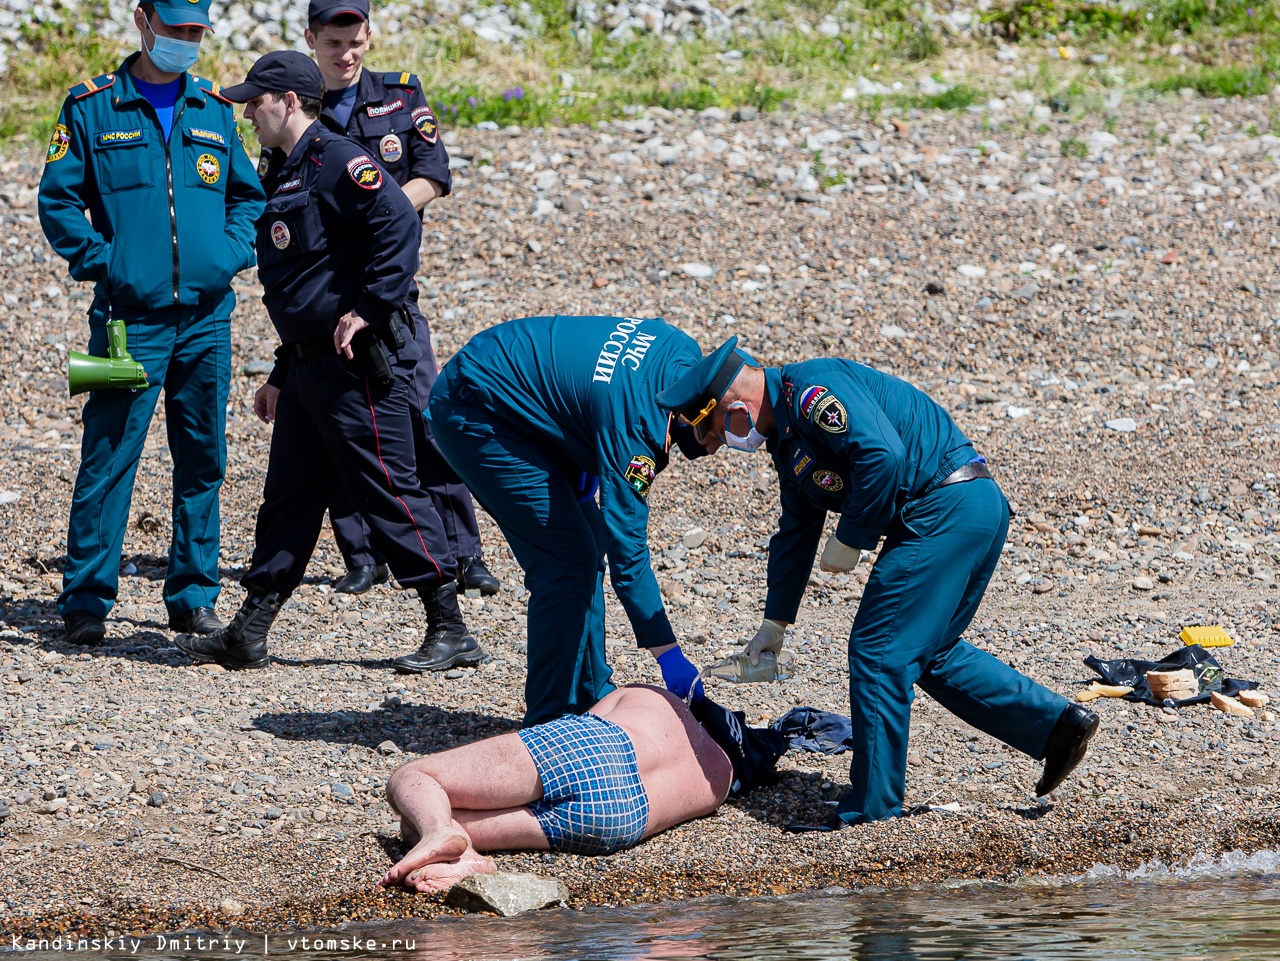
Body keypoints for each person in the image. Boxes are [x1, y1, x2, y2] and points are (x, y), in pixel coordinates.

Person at [655, 338, 1100, 828]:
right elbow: (796, 531)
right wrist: (774, 624)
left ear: (735, 405)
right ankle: (1056, 727)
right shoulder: (787, 439)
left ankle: (872, 807)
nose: (719, 444)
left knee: (878, 650)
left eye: (713, 429)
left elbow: (882, 456)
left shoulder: (809, 392)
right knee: (929, 652)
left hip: (942, 508)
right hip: (967, 508)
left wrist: (851, 538)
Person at [174, 51, 485, 673]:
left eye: (255, 103)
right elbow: (304, 288)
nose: (248, 117)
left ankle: (449, 627)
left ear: (288, 102)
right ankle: (250, 628)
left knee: (390, 489)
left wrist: (371, 307)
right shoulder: (285, 171)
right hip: (308, 369)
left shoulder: (338, 159)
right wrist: (280, 373)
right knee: (287, 498)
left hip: (356, 369)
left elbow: (398, 224)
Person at [250, 0, 497, 599]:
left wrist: (374, 212)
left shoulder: (399, 96)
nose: (348, 53)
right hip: (329, 300)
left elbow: (431, 175)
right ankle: (363, 554)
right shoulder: (291, 118)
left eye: (356, 40)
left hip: (386, 292)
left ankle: (462, 552)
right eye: (335, 43)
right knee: (333, 428)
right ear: (312, 41)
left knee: (423, 417)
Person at [37, 0, 265, 646]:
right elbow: (58, 201)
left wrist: (226, 255)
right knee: (109, 457)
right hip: (126, 320)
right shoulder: (91, 107)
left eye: (196, 32)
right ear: (143, 20)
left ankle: (193, 595)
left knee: (202, 459)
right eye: (176, 29)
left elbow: (249, 197)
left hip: (206, 320)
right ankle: (86, 598)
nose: (186, 41)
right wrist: (105, 265)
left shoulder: (215, 109)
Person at [424, 315, 710, 721]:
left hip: (511, 375)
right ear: (692, 413)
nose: (712, 449)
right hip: (475, 409)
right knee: (565, 561)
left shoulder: (678, 350)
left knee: (586, 541)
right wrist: (668, 654)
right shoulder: (636, 425)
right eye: (710, 436)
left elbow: (586, 403)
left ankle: (592, 697)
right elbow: (628, 551)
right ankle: (547, 723)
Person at [377, 684, 786, 891]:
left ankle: (441, 835)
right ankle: (462, 854)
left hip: (598, 750)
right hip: (621, 820)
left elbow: (585, 723)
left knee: (417, 783)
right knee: (418, 821)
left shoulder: (660, 699)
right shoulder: (724, 776)